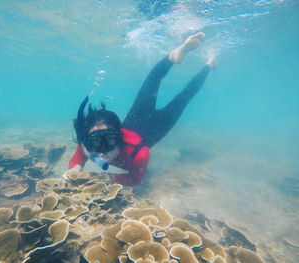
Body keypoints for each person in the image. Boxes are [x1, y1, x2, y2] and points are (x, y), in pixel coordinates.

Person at [63, 32, 215, 186]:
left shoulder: (139, 154)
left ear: (119, 135)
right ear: (87, 139)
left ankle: (183, 60)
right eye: (95, 142)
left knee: (171, 91)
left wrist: (111, 178)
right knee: (180, 95)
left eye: (109, 140)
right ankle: (204, 64)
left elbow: (136, 179)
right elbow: (77, 162)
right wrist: (74, 169)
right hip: (137, 119)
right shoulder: (86, 144)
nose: (102, 151)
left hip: (157, 126)